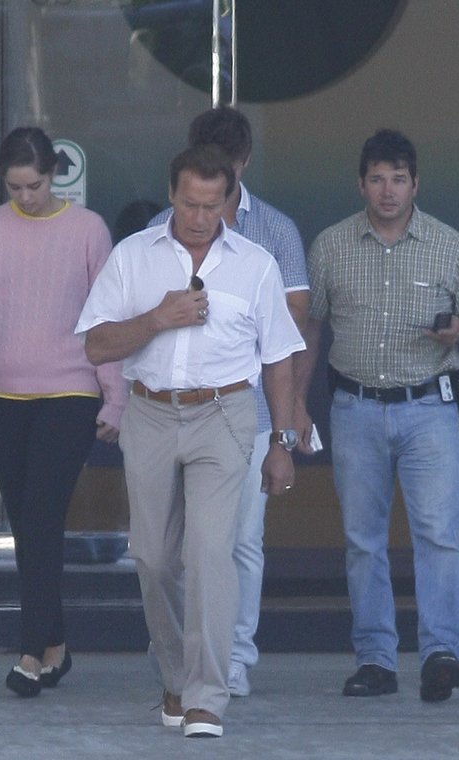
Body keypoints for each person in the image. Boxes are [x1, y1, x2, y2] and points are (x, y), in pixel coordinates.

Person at [77, 144, 304, 738]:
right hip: (149, 412)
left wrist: (281, 442)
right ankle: (176, 675)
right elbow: (96, 345)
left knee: (209, 553)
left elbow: (280, 358)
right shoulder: (133, 256)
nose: (201, 217)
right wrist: (157, 318)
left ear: (229, 199)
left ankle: (207, 695)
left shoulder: (256, 264)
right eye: (189, 203)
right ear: (171, 195)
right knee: (153, 558)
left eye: (212, 205)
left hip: (225, 413)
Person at [302, 129, 459, 703]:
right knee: (363, 541)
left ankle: (440, 654)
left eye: (399, 179)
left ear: (416, 185)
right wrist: (292, 403)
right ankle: (375, 660)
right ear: (360, 184)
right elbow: (309, 327)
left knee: (437, 536)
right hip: (354, 407)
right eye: (377, 179)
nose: (388, 190)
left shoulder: (448, 245)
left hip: (428, 409)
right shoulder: (331, 245)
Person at [0, 127, 125, 698]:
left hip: (69, 395)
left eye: (34, 185)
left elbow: (106, 321)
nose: (25, 196)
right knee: (28, 526)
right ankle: (56, 645)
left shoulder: (88, 230)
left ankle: (29, 653)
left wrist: (115, 396)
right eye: (14, 187)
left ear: (54, 174)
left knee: (40, 517)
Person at [147, 105, 313, 697]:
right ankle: (182, 653)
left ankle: (235, 654)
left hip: (252, 411)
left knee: (239, 540)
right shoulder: (157, 231)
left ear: (244, 163)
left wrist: (288, 419)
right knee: (171, 545)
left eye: (228, 167)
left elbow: (293, 328)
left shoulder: (275, 231)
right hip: (169, 409)